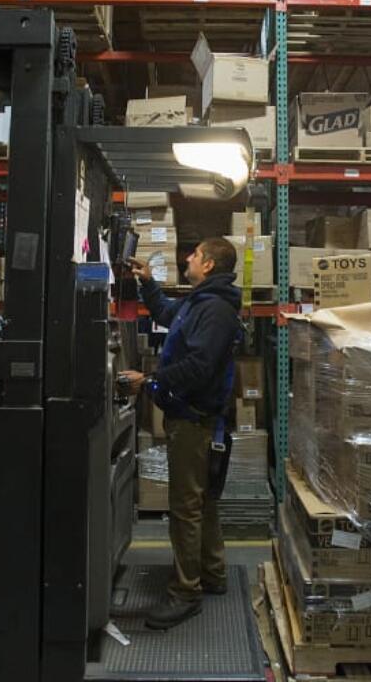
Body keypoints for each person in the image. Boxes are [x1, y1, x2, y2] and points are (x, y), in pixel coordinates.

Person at [119, 237, 242, 630]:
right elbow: (169, 314)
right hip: (191, 417)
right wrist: (148, 282)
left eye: (194, 255)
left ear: (207, 264)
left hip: (194, 421)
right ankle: (213, 573)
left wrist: (150, 380)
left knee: (185, 508)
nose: (187, 258)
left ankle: (185, 593)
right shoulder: (200, 301)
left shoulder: (217, 309)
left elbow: (200, 365)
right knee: (201, 501)